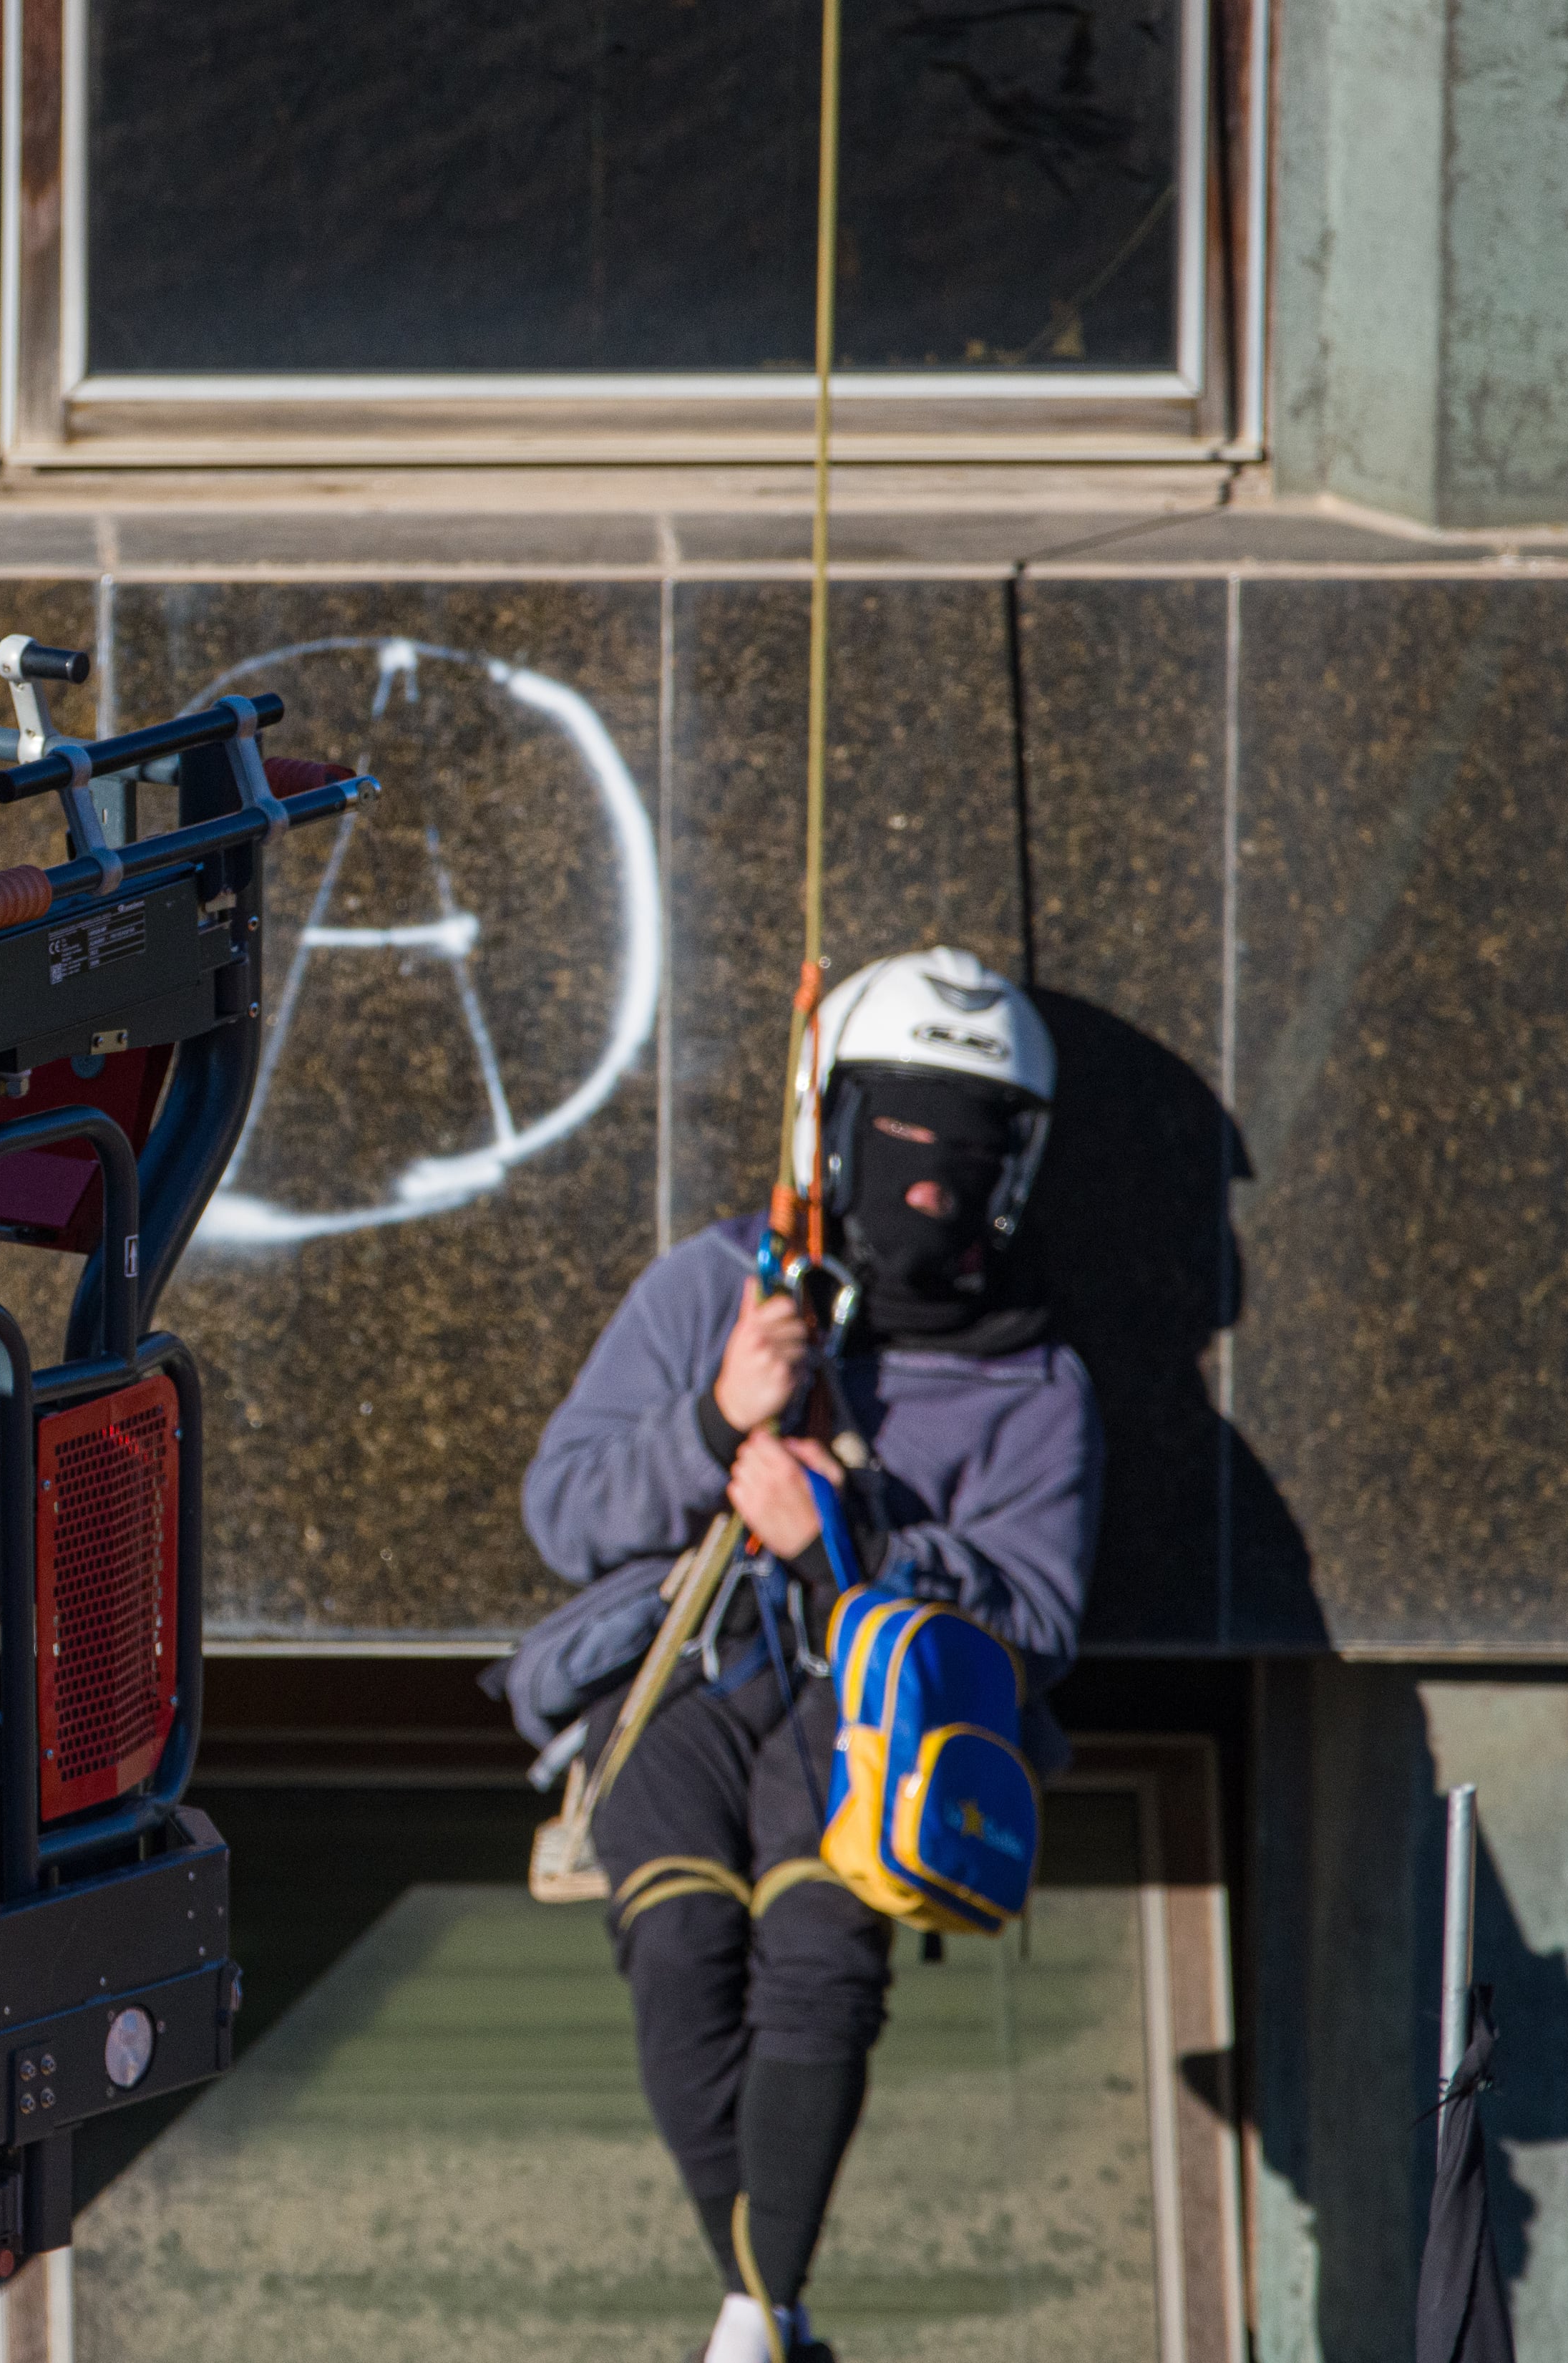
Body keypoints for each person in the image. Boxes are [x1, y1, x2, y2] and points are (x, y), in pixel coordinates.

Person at [514, 948, 1100, 2363]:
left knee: (824, 1946)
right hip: (690, 1660)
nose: (928, 1182)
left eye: (964, 1151)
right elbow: (565, 1506)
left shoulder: (1033, 1380)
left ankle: (756, 2307)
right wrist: (717, 1419)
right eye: (900, 1136)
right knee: (679, 1932)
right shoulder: (713, 1285)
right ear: (830, 1125)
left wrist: (855, 1539)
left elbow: (1035, 1610)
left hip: (869, 1706)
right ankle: (765, 2299)